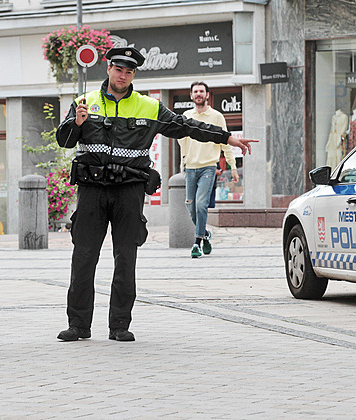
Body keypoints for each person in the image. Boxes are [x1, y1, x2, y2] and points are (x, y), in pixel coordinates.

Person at [55, 47, 258, 342]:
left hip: (129, 191)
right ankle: (78, 325)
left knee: (126, 259)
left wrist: (227, 138)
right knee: (83, 258)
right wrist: (77, 123)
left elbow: (187, 126)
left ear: (133, 75)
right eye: (118, 69)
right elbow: (64, 140)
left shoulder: (148, 106)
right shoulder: (84, 102)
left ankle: (119, 325)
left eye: (129, 71)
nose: (122, 76)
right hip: (92, 191)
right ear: (108, 69)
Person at [179, 81, 239, 258]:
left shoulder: (217, 117)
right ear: (191, 95)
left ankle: (197, 242)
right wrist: (183, 162)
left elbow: (226, 142)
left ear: (207, 95)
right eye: (195, 91)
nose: (198, 94)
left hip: (208, 167)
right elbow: (182, 141)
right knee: (190, 205)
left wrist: (232, 166)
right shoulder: (186, 116)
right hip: (190, 167)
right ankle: (205, 234)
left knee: (201, 204)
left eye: (201, 91)